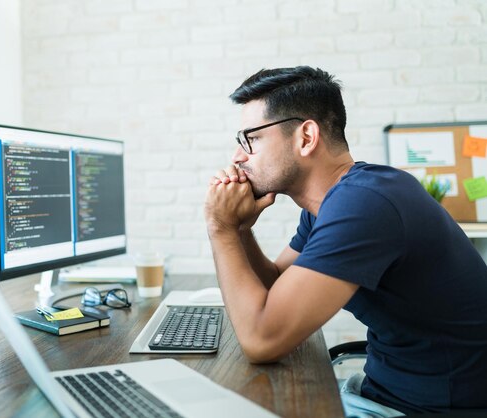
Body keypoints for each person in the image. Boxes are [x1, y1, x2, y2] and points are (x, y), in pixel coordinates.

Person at [204, 66, 487, 417]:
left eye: (253, 139)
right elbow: (278, 284)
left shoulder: (365, 204)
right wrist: (242, 230)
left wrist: (222, 228)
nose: (237, 156)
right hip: (384, 392)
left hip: (430, 408)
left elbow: (262, 341)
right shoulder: (333, 203)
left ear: (306, 137)